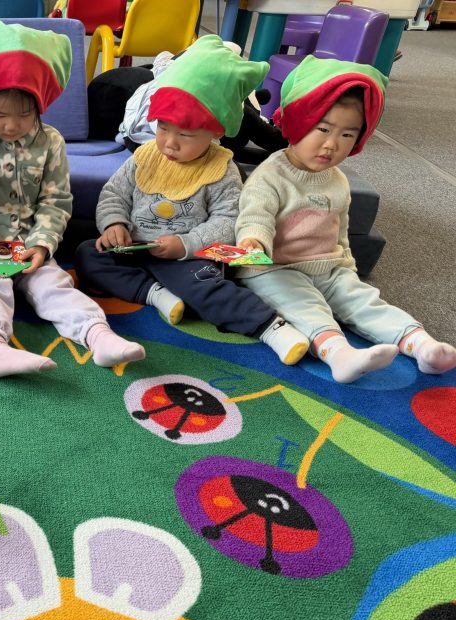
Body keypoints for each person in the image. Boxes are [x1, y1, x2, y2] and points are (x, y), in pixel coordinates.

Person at [74, 36, 310, 367]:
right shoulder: (145, 155)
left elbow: (228, 221)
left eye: (184, 135)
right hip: (135, 248)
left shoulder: (222, 169)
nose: (169, 143)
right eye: (162, 128)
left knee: (203, 287)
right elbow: (115, 193)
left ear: (216, 132)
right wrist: (114, 224)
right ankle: (156, 294)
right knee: (88, 254)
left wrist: (185, 244)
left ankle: (271, 327)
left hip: (186, 258)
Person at [0, 14, 144, 378]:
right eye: (0, 114)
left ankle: (99, 336)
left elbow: (55, 201)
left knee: (54, 283)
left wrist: (43, 244)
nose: (12, 125)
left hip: (29, 241)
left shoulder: (51, 142)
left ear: (40, 107)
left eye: (25, 114)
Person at [236, 57, 456, 382]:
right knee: (303, 305)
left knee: (364, 300)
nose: (331, 144)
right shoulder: (271, 174)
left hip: (327, 266)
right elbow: (255, 215)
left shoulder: (337, 180)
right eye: (323, 129)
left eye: (347, 135)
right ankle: (339, 354)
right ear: (298, 122)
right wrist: (253, 241)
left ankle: (422, 345)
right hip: (274, 268)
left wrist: (347, 268)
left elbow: (340, 231)